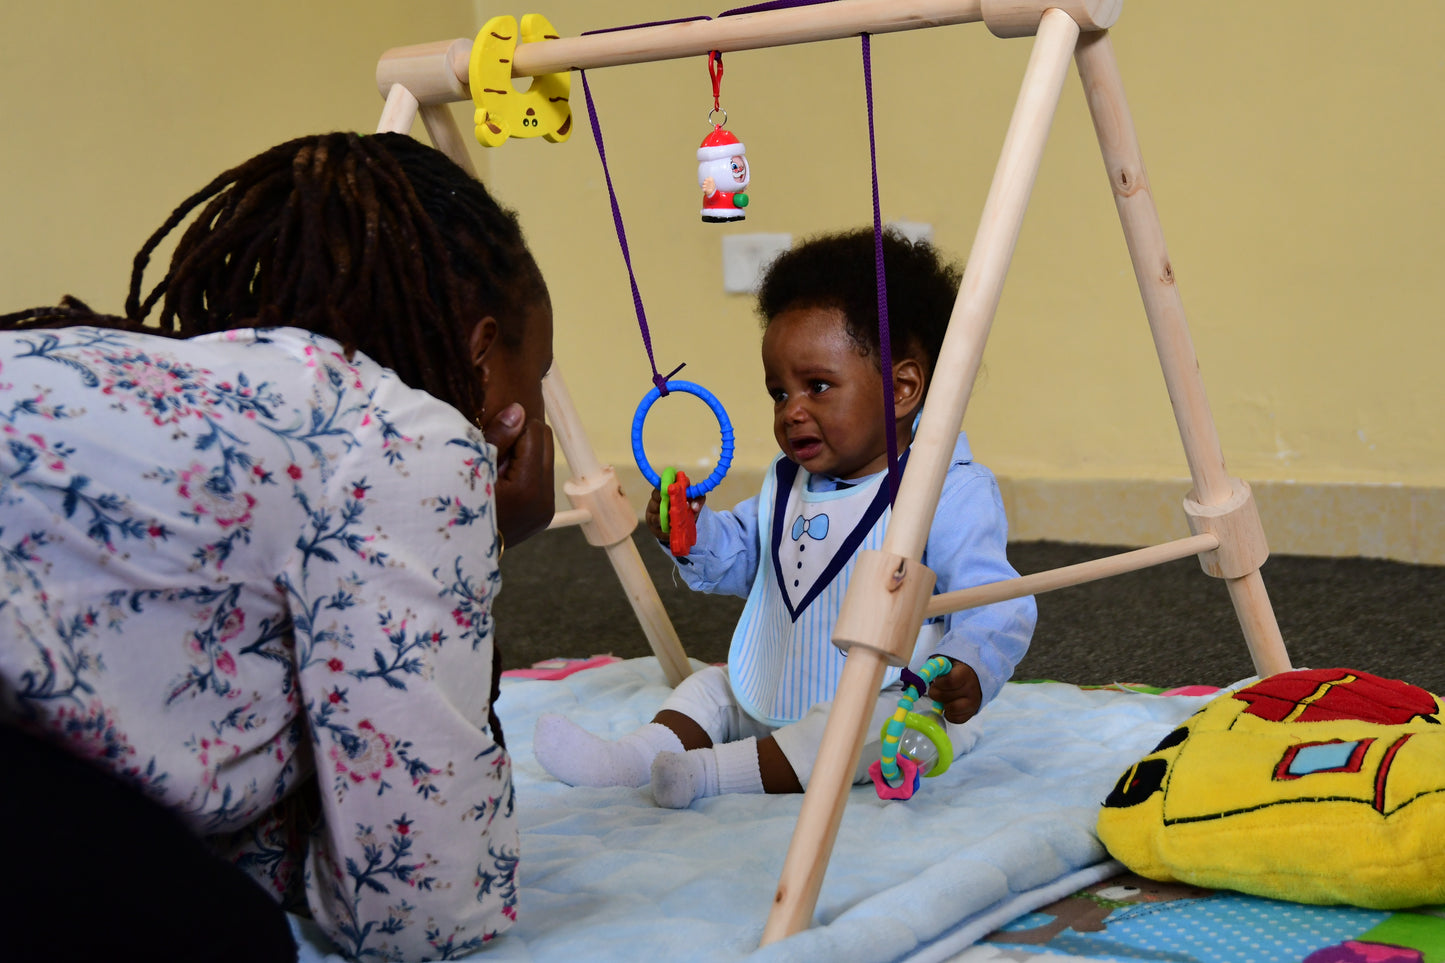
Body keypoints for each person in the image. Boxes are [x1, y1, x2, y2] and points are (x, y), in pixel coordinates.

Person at [0, 132, 555, 961]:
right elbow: (426, 910)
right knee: (228, 935)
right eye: (536, 374)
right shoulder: (404, 436)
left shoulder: (227, 386)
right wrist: (479, 534)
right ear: (478, 354)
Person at [533, 227, 1036, 808]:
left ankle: (710, 775)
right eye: (778, 393)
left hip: (903, 704)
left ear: (901, 388)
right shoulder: (789, 479)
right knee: (712, 686)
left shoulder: (948, 489)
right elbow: (750, 555)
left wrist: (971, 664)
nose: (791, 412)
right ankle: (630, 760)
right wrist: (694, 535)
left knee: (853, 730)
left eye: (817, 387)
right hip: (782, 683)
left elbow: (997, 600)